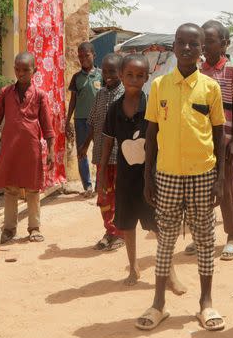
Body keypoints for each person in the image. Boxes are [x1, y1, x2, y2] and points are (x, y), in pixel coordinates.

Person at [136, 23, 226, 332]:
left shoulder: (211, 88)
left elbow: (218, 135)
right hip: (168, 175)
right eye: (181, 43)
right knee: (165, 241)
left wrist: (220, 178)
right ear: (174, 47)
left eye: (193, 44)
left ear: (203, 50)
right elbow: (151, 134)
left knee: (205, 239)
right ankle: (159, 304)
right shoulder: (159, 86)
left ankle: (206, 303)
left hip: (202, 173)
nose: (187, 48)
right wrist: (148, 178)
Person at [100, 54, 188, 290]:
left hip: (151, 176)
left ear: (147, 77)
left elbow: (164, 139)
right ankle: (133, 267)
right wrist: (101, 177)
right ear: (121, 76)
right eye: (129, 74)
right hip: (125, 177)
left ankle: (170, 273)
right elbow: (108, 144)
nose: (134, 79)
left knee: (158, 225)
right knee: (127, 224)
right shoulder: (114, 109)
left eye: (140, 75)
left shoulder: (152, 105)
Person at [0, 52, 55, 244]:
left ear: (34, 71)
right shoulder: (5, 93)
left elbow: (47, 126)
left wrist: (52, 151)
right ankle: (9, 228)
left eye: (25, 70)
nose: (20, 73)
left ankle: (34, 227)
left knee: (32, 189)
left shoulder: (39, 96)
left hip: (31, 150)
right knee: (10, 189)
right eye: (17, 69)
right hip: (10, 149)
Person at [184, 20, 233, 261]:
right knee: (202, 191)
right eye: (202, 41)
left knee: (228, 188)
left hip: (226, 140)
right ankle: (203, 237)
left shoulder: (232, 69)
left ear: (224, 43)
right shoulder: (196, 71)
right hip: (202, 142)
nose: (205, 46)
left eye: (210, 41)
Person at [79, 53, 125, 251]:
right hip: (101, 157)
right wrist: (84, 145)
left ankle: (121, 232)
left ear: (121, 73)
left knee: (120, 195)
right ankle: (110, 231)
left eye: (112, 72)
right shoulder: (100, 95)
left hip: (121, 157)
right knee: (104, 196)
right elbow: (92, 123)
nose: (107, 76)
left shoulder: (126, 95)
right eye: (105, 72)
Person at [66, 41, 102, 194]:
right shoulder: (76, 77)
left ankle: (100, 185)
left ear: (94, 55)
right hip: (81, 120)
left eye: (86, 55)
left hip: (99, 120)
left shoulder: (102, 75)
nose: (83, 59)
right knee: (82, 152)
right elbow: (73, 100)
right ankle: (87, 186)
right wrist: (67, 120)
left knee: (100, 152)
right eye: (80, 56)